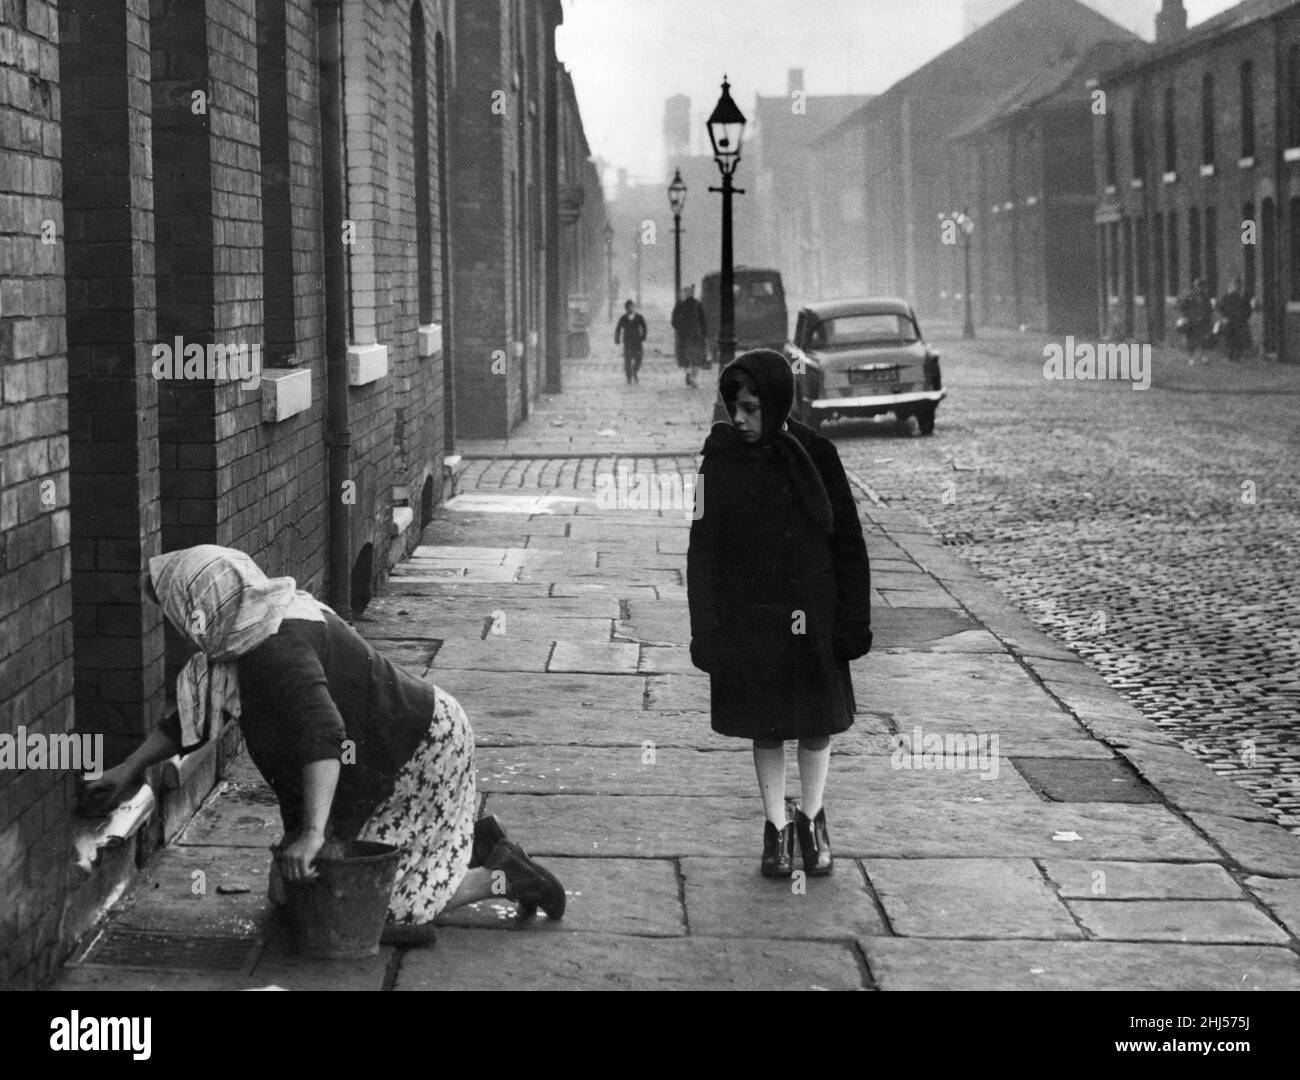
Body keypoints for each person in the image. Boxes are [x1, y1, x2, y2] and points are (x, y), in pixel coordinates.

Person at [79, 545, 565, 944]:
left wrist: (312, 833)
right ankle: (469, 841)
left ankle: (505, 873)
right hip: (383, 751)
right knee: (292, 896)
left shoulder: (275, 646)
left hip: (420, 749)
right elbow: (188, 722)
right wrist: (128, 770)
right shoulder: (245, 628)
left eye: (175, 610)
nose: (175, 623)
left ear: (200, 604)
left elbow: (323, 735)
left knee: (385, 909)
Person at [687, 350, 872, 878]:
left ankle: (812, 818)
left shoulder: (819, 454)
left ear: (775, 402)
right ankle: (775, 828)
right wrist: (707, 631)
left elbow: (849, 545)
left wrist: (853, 621)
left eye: (750, 408)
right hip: (750, 620)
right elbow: (701, 553)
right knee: (764, 726)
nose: (739, 419)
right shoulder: (716, 462)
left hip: (814, 613)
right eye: (733, 408)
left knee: (817, 723)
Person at [671, 285, 709, 388]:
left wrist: (680, 328)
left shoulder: (680, 305)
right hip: (696, 335)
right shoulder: (698, 304)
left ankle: (688, 373)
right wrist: (704, 333)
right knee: (696, 358)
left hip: (684, 336)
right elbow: (703, 320)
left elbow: (674, 322)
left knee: (685, 358)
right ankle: (693, 378)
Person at [1218, 277, 1253, 362]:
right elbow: (1221, 307)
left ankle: (1236, 356)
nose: (1237, 287)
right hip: (1231, 320)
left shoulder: (1243, 297)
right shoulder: (1228, 296)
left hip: (1239, 320)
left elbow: (1248, 309)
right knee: (1230, 338)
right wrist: (1225, 317)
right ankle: (1231, 355)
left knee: (1238, 338)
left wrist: (1245, 317)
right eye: (1236, 285)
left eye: (1239, 285)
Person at [614, 298, 647, 385]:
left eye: (632, 307)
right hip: (627, 342)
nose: (631, 309)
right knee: (627, 361)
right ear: (626, 308)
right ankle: (629, 377)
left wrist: (643, 336)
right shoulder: (623, 318)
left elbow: (644, 327)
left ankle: (635, 371)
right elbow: (618, 328)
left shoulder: (639, 317)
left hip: (637, 341)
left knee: (638, 359)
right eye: (629, 307)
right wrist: (617, 339)